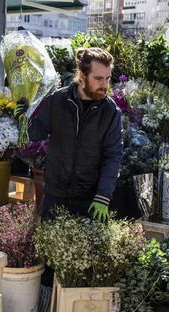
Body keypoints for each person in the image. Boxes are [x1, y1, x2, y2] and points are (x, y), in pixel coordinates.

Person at [23, 47, 123, 223]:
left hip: (91, 200)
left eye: (107, 78)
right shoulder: (57, 101)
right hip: (55, 196)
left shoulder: (110, 111)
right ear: (82, 76)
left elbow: (113, 156)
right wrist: (24, 116)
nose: (105, 85)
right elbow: (35, 133)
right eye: (98, 79)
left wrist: (103, 195)